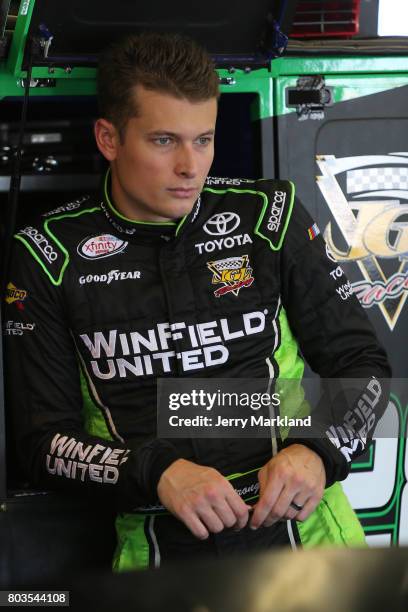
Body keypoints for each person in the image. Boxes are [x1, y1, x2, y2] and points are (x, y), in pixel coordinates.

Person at [4, 32, 390, 571]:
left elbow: (366, 369)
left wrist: (320, 453)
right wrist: (158, 471)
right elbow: (42, 443)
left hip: (309, 533)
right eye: (164, 141)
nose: (191, 166)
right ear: (109, 138)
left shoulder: (267, 217)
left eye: (203, 139)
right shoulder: (48, 254)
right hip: (156, 548)